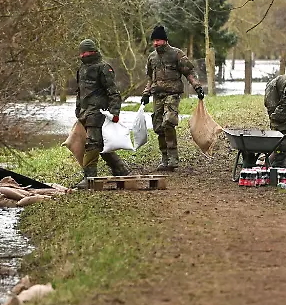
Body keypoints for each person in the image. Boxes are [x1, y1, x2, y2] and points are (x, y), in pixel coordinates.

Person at [140, 25, 204, 172]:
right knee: (158, 127)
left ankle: (173, 158)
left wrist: (197, 87)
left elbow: (189, 73)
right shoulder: (152, 57)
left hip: (172, 94)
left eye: (158, 40)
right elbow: (150, 78)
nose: (155, 43)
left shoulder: (177, 54)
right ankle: (165, 158)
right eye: (154, 41)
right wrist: (146, 93)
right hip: (157, 95)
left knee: (168, 122)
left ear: (165, 40)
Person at [74, 38, 128, 189]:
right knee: (101, 144)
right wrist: (78, 109)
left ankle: (89, 178)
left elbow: (113, 93)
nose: (84, 55)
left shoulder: (104, 68)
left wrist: (115, 112)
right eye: (82, 52)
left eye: (87, 52)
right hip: (85, 112)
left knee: (92, 144)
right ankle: (121, 170)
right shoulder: (82, 69)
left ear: (94, 51)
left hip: (99, 112)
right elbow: (79, 92)